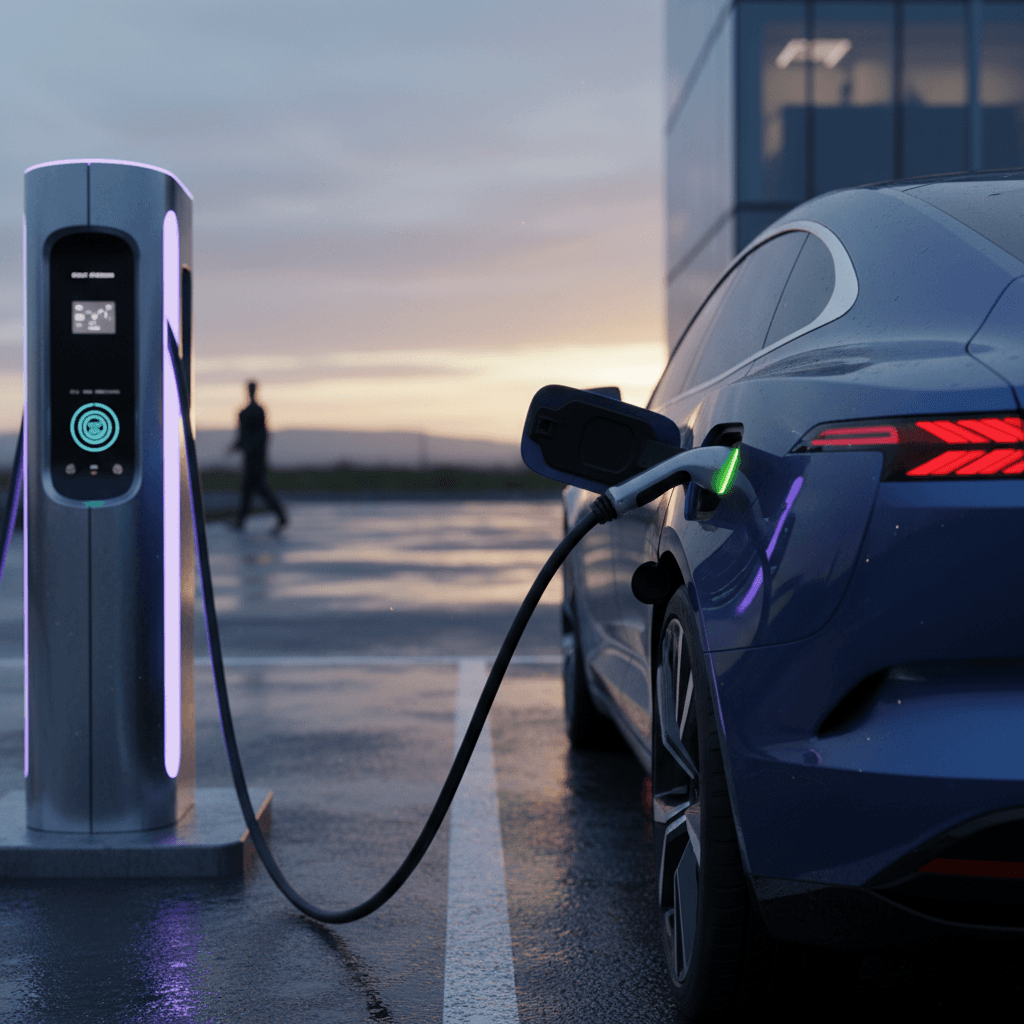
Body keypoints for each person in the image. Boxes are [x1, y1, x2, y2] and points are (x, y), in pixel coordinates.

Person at [233, 380, 287, 531]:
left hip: (255, 458)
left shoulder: (255, 411)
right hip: (252, 457)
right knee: (250, 490)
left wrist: (251, 448)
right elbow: (245, 434)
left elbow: (261, 434)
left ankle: (280, 516)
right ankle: (241, 521)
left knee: (257, 489)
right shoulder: (246, 412)